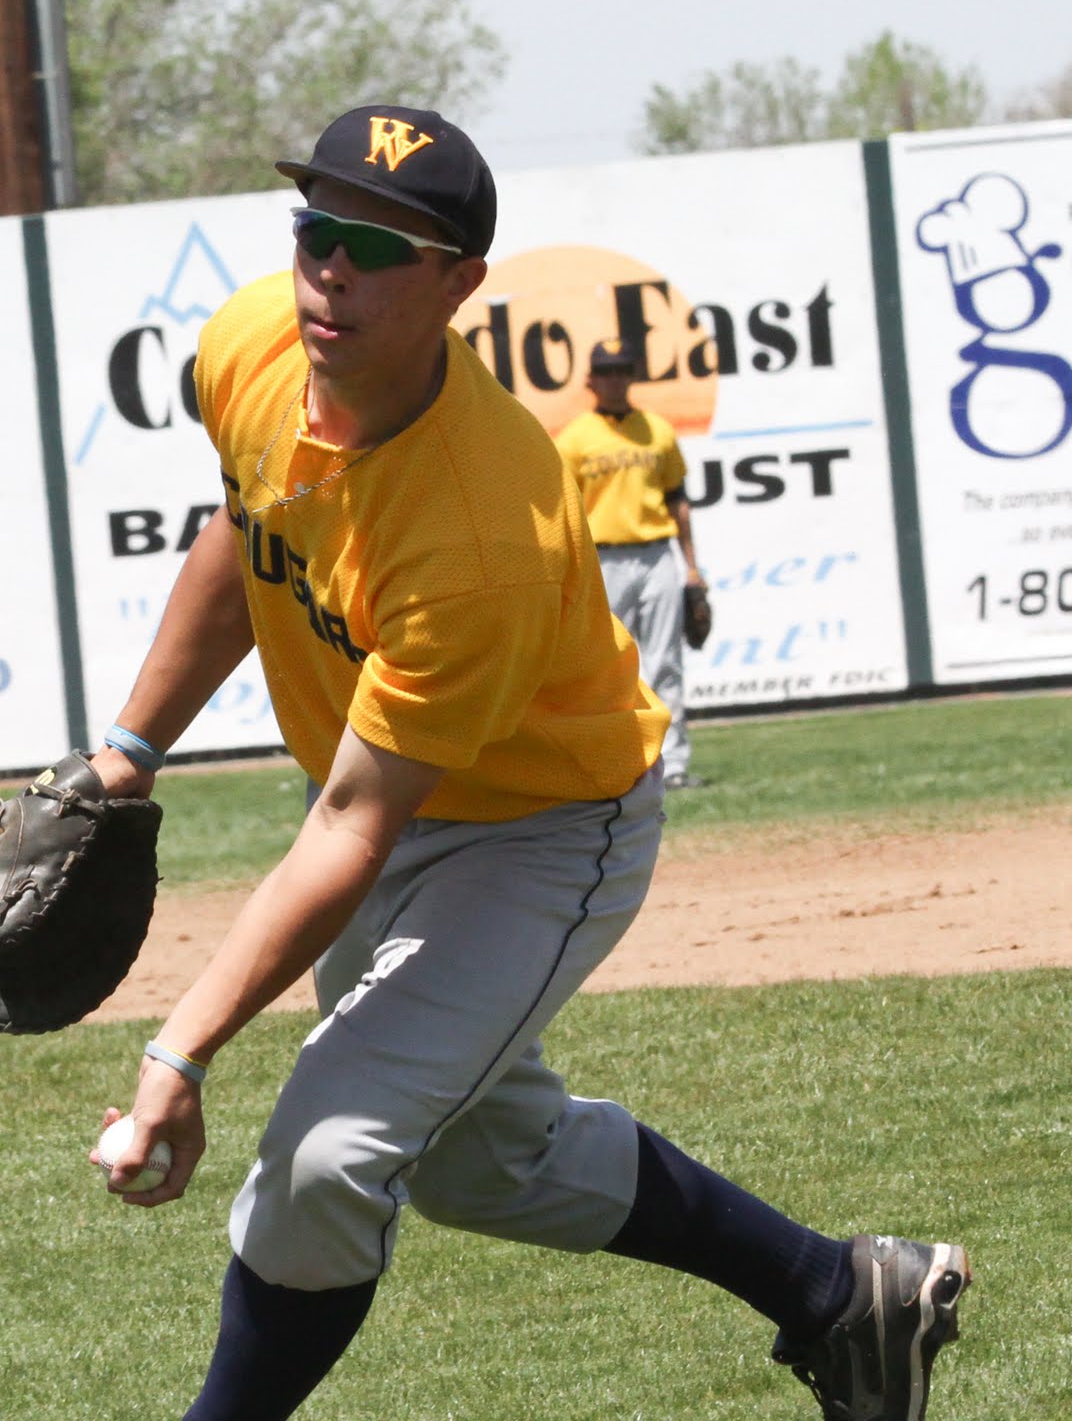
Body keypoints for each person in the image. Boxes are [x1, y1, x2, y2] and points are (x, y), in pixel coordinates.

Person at [87, 103, 969, 1421]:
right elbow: (243, 534)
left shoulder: (482, 523)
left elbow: (348, 831)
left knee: (328, 1156)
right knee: (484, 1166)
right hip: (397, 807)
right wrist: (126, 755)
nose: (332, 270)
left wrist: (181, 1054)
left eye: (379, 249)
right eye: (317, 230)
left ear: (459, 285)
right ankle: (844, 1299)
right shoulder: (251, 347)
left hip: (541, 830)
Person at [555, 342, 708, 789]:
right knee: (606, 668)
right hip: (601, 560)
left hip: (657, 552)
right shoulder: (574, 438)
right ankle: (618, 766)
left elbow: (677, 500)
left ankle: (674, 765)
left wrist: (692, 569)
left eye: (622, 370)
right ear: (591, 381)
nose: (615, 378)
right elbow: (562, 510)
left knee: (666, 661)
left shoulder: (656, 430)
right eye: (606, 371)